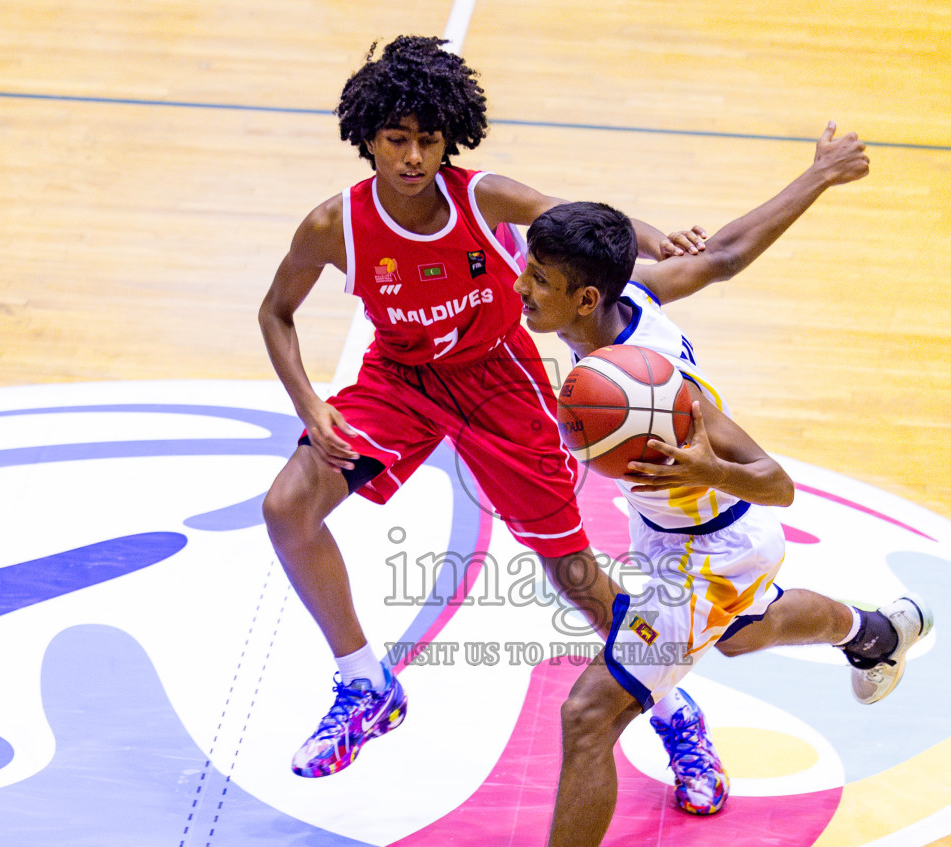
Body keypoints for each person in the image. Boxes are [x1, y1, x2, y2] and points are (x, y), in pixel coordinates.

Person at [439, 123, 935, 847]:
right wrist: (818, 173)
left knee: (590, 714)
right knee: (745, 634)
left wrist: (702, 466)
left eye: (538, 284)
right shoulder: (631, 300)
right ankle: (876, 631)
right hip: (705, 545)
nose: (521, 290)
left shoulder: (664, 386)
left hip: (706, 547)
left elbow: (775, 482)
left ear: (585, 298)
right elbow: (732, 251)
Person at [257, 36, 719, 791]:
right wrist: (310, 402)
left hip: (497, 381)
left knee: (572, 574)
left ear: (450, 140)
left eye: (427, 141)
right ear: (366, 137)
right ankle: (366, 686)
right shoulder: (332, 226)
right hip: (399, 379)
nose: (411, 157)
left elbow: (576, 221)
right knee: (287, 508)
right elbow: (275, 312)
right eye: (396, 140)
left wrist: (656, 238)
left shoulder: (481, 197)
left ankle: (675, 710)